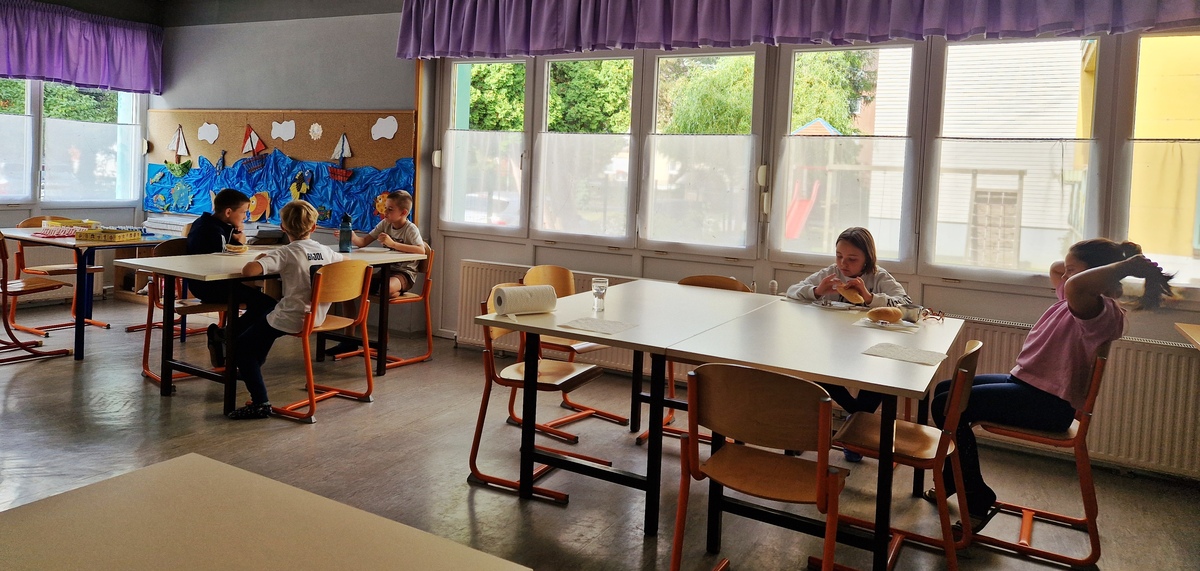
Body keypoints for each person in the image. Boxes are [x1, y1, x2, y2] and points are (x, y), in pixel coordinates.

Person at [928, 238, 1171, 531]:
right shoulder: (1078, 299)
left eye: (1073, 271)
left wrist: (1121, 268)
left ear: (1091, 276)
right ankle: (954, 478)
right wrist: (1093, 267)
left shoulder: (1096, 311)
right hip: (1030, 387)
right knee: (945, 389)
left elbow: (1075, 284)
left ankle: (975, 495)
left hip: (1049, 405)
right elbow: (1059, 270)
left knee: (946, 405)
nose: (1064, 276)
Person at [786, 227, 912, 454]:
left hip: (869, 348)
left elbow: (906, 303)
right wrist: (817, 290)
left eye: (852, 259)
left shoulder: (878, 276)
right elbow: (792, 290)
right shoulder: (832, 273)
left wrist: (869, 297)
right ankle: (855, 421)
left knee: (880, 378)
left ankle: (855, 430)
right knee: (812, 370)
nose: (843, 263)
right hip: (834, 345)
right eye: (839, 256)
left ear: (867, 259)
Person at [227, 200, 343, 420]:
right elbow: (344, 262)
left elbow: (249, 271)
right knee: (262, 325)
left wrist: (261, 258)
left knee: (242, 345)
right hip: (317, 316)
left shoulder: (286, 252)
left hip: (292, 317)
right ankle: (252, 370)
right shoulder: (326, 251)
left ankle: (260, 403)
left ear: (283, 227)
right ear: (314, 227)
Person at [186, 188, 278, 367]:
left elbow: (225, 251)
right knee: (267, 305)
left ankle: (227, 337)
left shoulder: (217, 225)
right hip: (208, 285)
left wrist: (236, 238)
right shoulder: (207, 230)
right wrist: (238, 241)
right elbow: (216, 259)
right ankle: (227, 336)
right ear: (228, 212)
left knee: (264, 303)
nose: (245, 216)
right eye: (243, 212)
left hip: (220, 283)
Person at [328, 190, 425, 354]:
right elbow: (362, 242)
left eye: (390, 209)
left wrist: (393, 244)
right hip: (385, 272)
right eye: (385, 208)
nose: (385, 212)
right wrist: (351, 236)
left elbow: (421, 250)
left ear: (403, 213)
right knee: (348, 288)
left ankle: (382, 339)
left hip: (404, 274)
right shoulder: (384, 224)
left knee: (386, 287)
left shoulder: (410, 229)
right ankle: (348, 339)